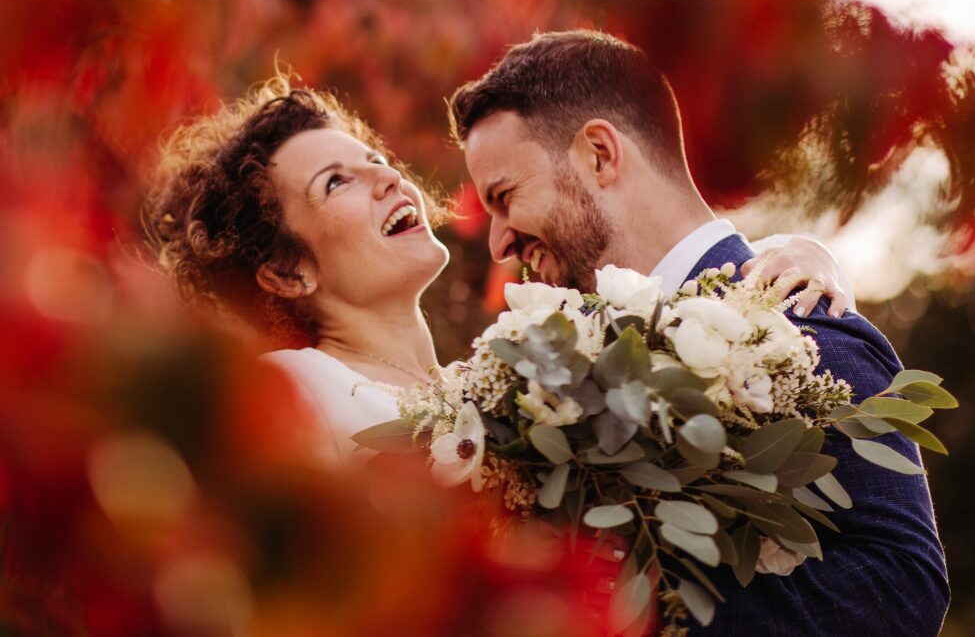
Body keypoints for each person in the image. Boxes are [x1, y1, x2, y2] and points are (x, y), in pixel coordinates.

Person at [144, 70, 856, 624]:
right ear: (286, 271)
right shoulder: (295, 392)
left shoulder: (500, 384)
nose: (388, 176)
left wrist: (795, 252)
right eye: (338, 182)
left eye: (375, 158)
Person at [448, 29, 949, 635]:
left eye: (504, 197)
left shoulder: (802, 324)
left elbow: (904, 588)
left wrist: (637, 602)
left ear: (599, 155)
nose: (498, 239)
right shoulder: (550, 383)